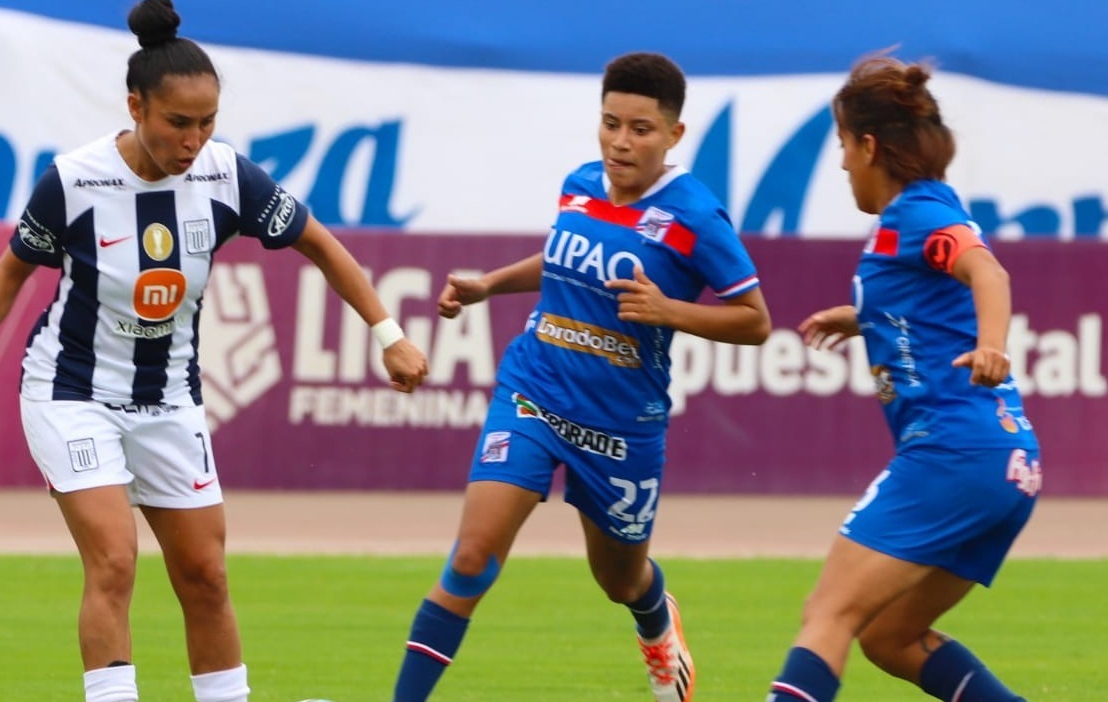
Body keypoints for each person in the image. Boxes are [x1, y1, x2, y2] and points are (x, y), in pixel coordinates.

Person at [0, 0, 428, 702]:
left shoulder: (227, 175)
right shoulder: (75, 179)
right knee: (116, 562)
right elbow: (10, 269)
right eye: (178, 123)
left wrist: (388, 334)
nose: (194, 140)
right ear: (136, 108)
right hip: (71, 392)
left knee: (206, 577)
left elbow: (319, 243)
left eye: (208, 123)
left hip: (168, 399)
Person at [390, 52, 771, 702]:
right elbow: (564, 257)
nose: (621, 141)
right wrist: (490, 285)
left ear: (675, 136)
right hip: (534, 392)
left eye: (641, 129)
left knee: (620, 580)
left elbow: (755, 320)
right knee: (471, 559)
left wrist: (669, 310)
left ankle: (657, 622)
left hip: (620, 425)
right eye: (610, 123)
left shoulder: (695, 216)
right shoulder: (580, 183)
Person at [763, 55, 1040, 702]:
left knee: (827, 615)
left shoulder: (916, 213)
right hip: (1008, 461)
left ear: (867, 145)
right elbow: (929, 299)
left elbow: (987, 273)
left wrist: (992, 346)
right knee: (891, 635)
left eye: (841, 145)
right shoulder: (909, 221)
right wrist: (865, 317)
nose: (839, 164)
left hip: (952, 452)